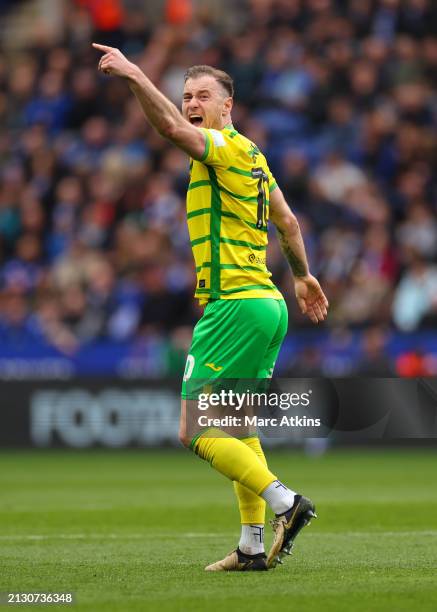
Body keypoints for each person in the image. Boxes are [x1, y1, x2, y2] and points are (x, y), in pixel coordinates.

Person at [93, 43, 329, 571]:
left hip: (236, 307)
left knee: (195, 429)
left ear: (229, 107)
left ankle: (287, 504)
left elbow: (173, 131)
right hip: (268, 304)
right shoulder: (257, 159)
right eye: (186, 95)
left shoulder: (222, 146)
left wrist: (134, 74)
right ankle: (250, 546)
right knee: (238, 423)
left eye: (203, 95)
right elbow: (288, 223)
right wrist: (303, 275)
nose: (191, 103)